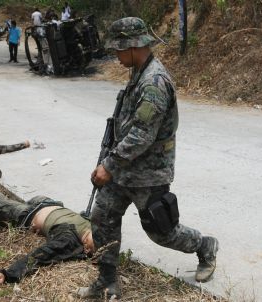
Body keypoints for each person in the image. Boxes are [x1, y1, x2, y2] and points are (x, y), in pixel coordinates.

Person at [76, 17, 219, 299]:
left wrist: (109, 165)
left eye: (118, 49)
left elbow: (142, 135)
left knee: (162, 232)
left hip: (148, 173)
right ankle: (107, 282)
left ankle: (204, 246)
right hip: (124, 170)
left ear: (132, 46)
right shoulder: (138, 72)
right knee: (102, 217)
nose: (116, 56)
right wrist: (110, 162)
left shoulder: (154, 82)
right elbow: (128, 125)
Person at [0, 192, 95, 284]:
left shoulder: (68, 239)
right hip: (49, 202)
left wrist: (9, 274)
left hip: (29, 214)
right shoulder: (97, 227)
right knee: (30, 199)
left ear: (86, 248)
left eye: (95, 244)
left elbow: (41, 254)